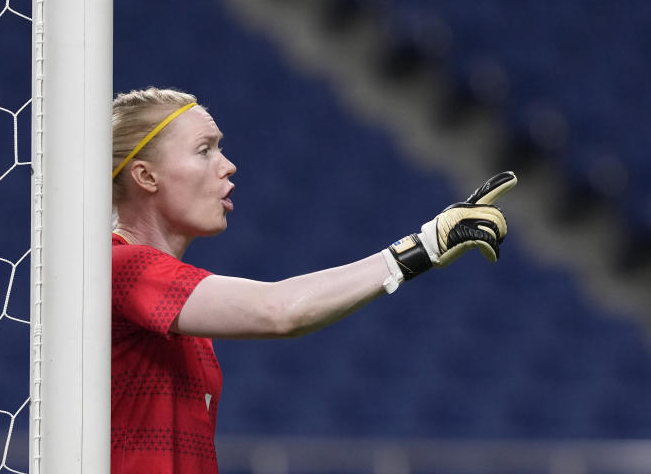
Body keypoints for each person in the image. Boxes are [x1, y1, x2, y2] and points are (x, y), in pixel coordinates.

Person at [110, 87, 515, 473]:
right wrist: (420, 249)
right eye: (204, 150)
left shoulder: (177, 307)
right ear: (146, 177)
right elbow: (279, 311)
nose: (227, 165)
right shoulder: (119, 265)